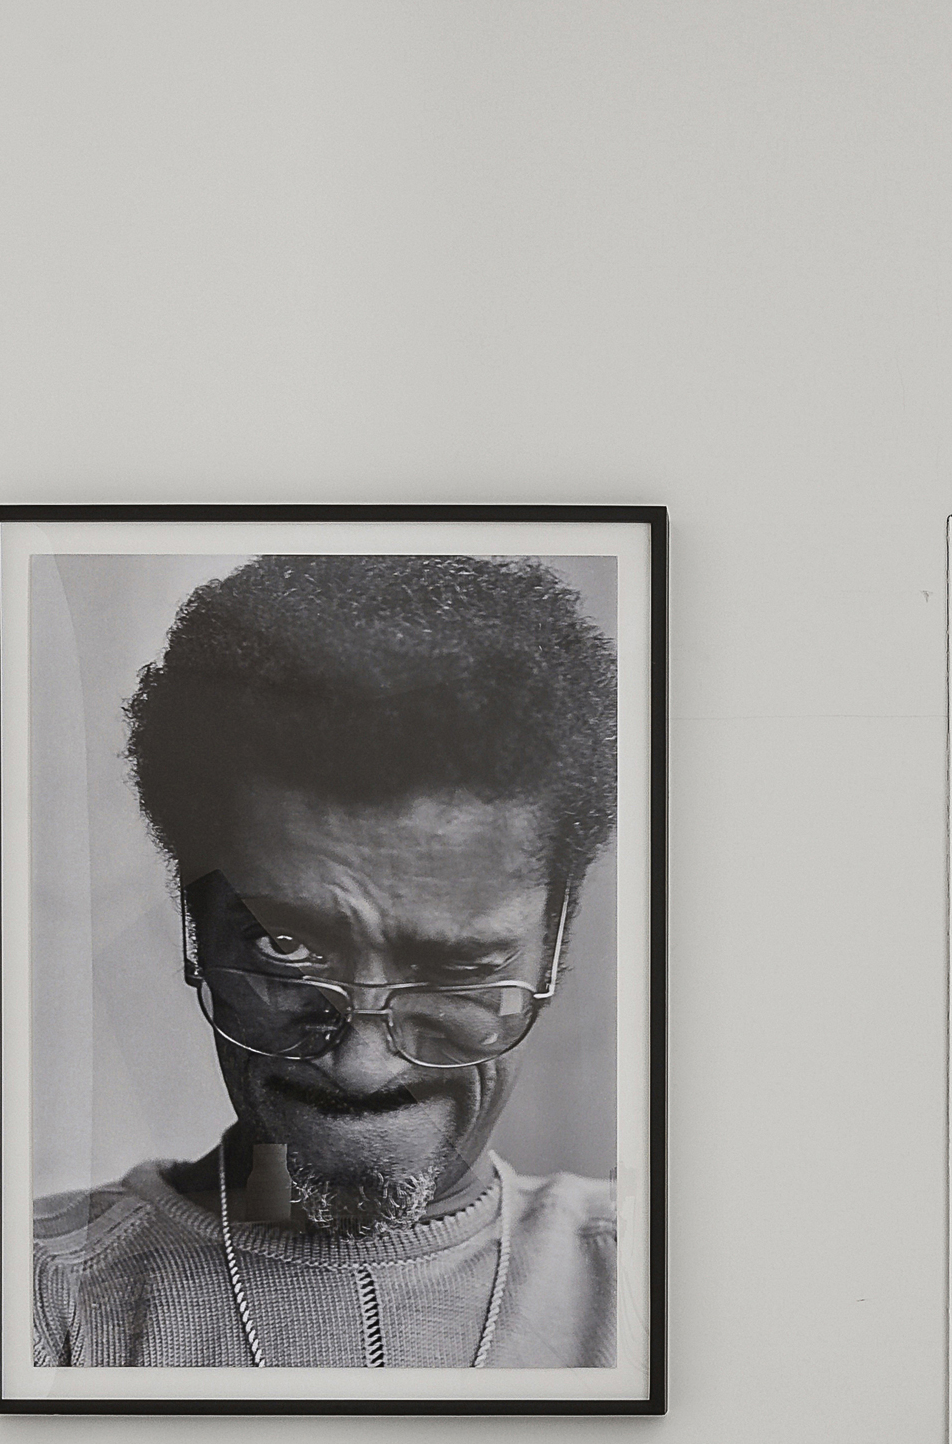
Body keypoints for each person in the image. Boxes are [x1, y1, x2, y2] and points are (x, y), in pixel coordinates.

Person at [31, 554, 620, 1370]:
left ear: (556, 940)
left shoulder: (655, 1282)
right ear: (196, 931)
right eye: (288, 948)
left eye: (456, 967)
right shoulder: (42, 1298)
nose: (362, 1067)